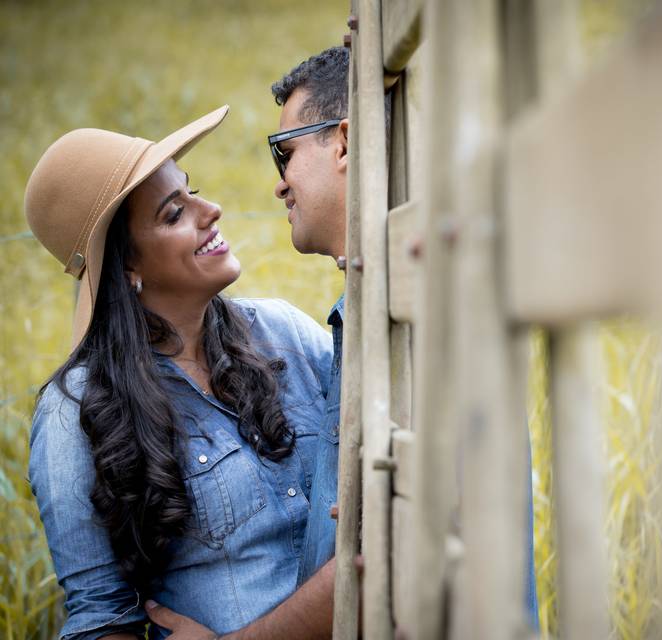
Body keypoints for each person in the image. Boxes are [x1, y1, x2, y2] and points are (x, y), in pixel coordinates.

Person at [146, 46, 539, 639]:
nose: (279, 186)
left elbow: (410, 544)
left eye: (285, 154)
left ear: (346, 144)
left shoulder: (415, 301)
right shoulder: (374, 300)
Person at [25, 106, 337, 639]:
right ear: (128, 267)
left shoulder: (286, 334)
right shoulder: (77, 411)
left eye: (192, 191)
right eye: (174, 213)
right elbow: (102, 621)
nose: (211, 210)